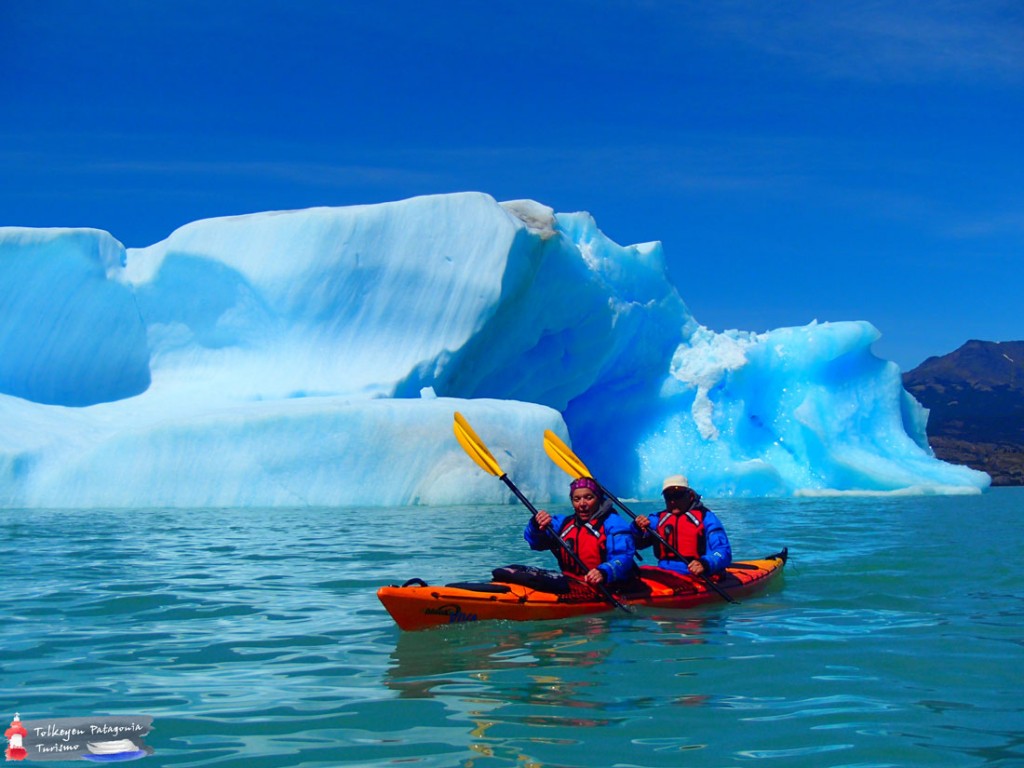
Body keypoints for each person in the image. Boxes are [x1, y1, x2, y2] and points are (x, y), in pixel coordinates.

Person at [524, 477, 637, 586]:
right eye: (576, 499)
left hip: (609, 586)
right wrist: (535, 524)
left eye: (588, 498)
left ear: (598, 499)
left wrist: (604, 572)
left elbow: (624, 557)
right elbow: (536, 544)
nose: (582, 504)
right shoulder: (563, 524)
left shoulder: (614, 524)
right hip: (574, 583)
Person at [633, 474, 732, 577]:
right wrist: (636, 528)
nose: (672, 501)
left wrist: (705, 563)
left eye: (678, 495)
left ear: (690, 496)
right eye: (668, 496)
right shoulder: (657, 519)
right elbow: (634, 544)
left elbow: (724, 551)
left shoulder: (706, 518)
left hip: (696, 576)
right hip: (665, 574)